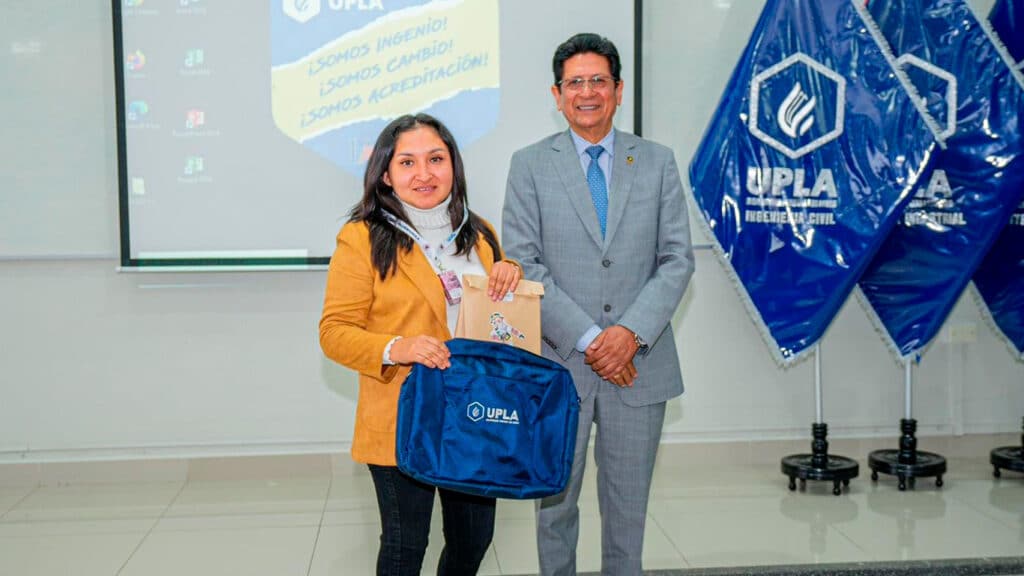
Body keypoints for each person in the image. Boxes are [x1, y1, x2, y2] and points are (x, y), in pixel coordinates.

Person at [502, 33, 694, 575]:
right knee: (554, 509)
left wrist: (629, 334)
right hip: (560, 368)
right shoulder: (530, 164)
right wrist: (592, 339)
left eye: (598, 81)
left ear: (618, 89)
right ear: (557, 93)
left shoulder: (656, 161)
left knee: (628, 512)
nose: (587, 92)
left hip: (641, 366)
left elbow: (677, 259)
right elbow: (523, 264)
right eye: (575, 83)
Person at [320, 113, 521, 576]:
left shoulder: (481, 233)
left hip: (473, 418)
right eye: (407, 162)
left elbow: (497, 323)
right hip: (401, 416)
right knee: (405, 544)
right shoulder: (362, 237)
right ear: (386, 175)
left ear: (454, 165)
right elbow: (333, 332)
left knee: (474, 541)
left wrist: (512, 278)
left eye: (436, 159)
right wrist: (398, 347)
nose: (424, 173)